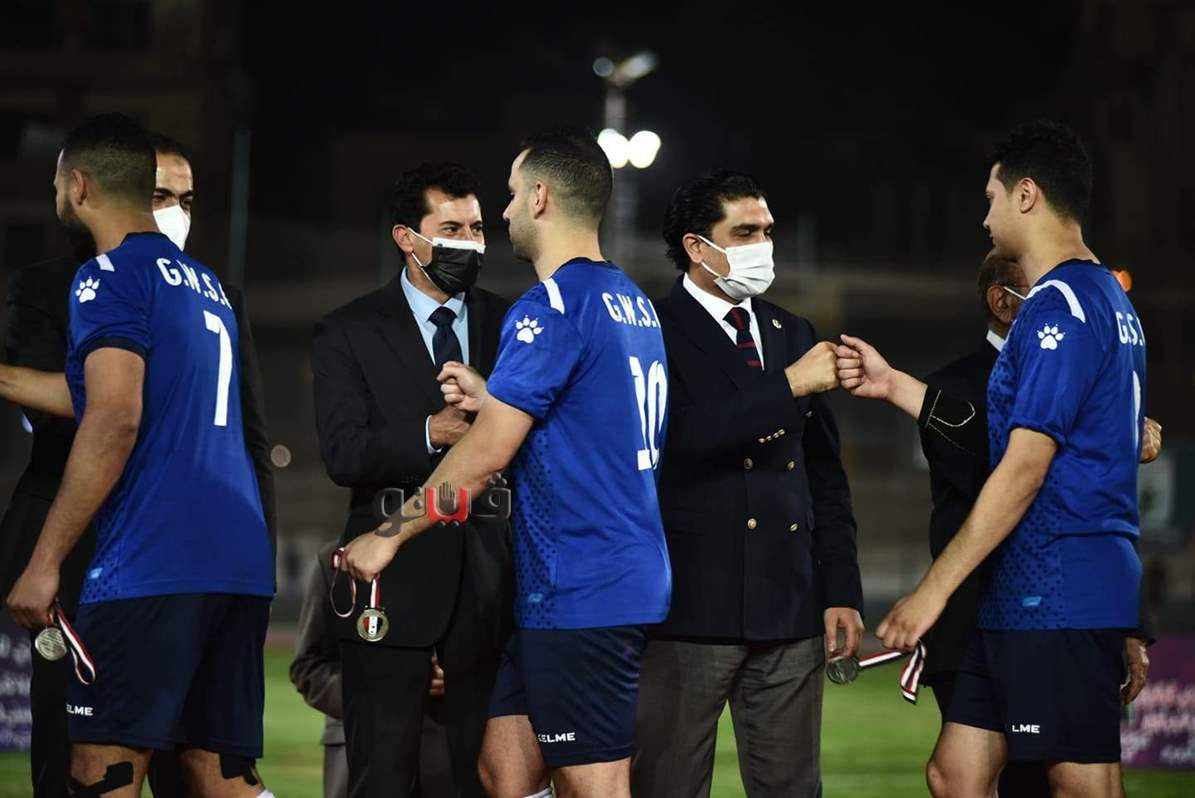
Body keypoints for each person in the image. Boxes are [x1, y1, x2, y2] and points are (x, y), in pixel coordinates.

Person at [339, 127, 671, 798]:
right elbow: (586, 422)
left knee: (595, 785)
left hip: (583, 585)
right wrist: (497, 398)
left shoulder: (549, 307)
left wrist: (388, 535)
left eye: (514, 194)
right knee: (505, 770)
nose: (507, 210)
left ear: (541, 197)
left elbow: (484, 456)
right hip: (579, 582)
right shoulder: (629, 301)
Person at [839, 120, 1148, 798]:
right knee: (956, 774)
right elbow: (1005, 433)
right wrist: (896, 386)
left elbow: (1024, 465)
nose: (985, 217)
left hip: (1057, 585)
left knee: (1081, 784)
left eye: (991, 198)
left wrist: (932, 590)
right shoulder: (1103, 298)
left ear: (1027, 195)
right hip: (1018, 589)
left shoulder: (1059, 307)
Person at [4, 114, 275, 798]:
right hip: (234, 562)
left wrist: (45, 560)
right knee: (218, 776)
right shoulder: (204, 284)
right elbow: (122, 396)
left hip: (150, 561)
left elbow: (113, 419)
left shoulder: (108, 276)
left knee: (101, 769)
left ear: (78, 185)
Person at [631, 170, 862, 797]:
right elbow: (673, 440)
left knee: (793, 789)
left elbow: (824, 475)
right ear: (696, 246)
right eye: (745, 233)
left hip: (790, 608)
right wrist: (787, 387)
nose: (764, 245)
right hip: (688, 612)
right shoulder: (651, 330)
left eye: (767, 231)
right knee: (668, 787)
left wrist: (840, 587)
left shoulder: (793, 332)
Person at [311, 161, 513, 798]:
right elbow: (344, 454)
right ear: (407, 237)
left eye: (476, 228)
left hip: (493, 584)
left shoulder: (513, 324)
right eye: (451, 229)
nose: (469, 243)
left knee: (489, 779)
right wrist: (431, 431)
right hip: (390, 582)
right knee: (382, 777)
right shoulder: (348, 330)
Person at [289, 542, 453, 798]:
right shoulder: (335, 559)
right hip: (359, 750)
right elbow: (308, 667)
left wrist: (458, 677)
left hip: (445, 753)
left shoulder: (458, 553)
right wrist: (379, 690)